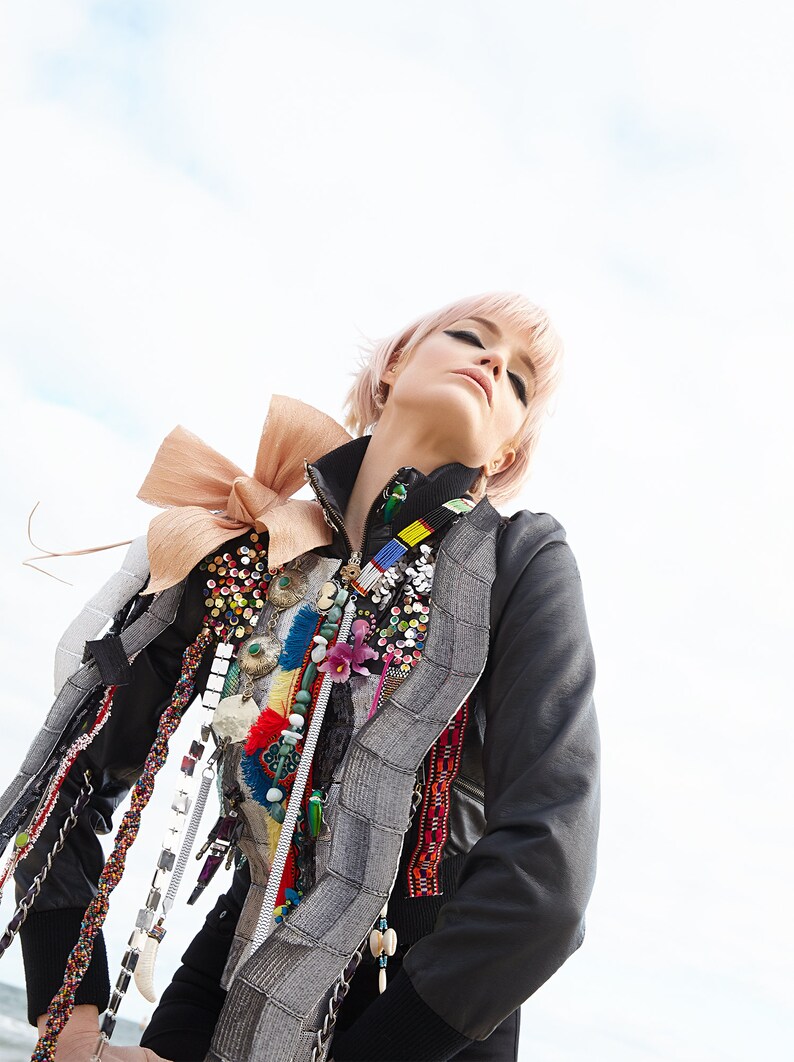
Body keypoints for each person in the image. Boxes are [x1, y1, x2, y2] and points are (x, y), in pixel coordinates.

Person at [8, 291, 600, 1062]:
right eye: (469, 337)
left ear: (506, 455)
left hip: (424, 1013)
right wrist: (73, 1023)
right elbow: (65, 776)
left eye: (520, 381)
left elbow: (547, 876)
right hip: (221, 987)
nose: (494, 362)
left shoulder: (519, 563)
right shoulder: (241, 551)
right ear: (391, 369)